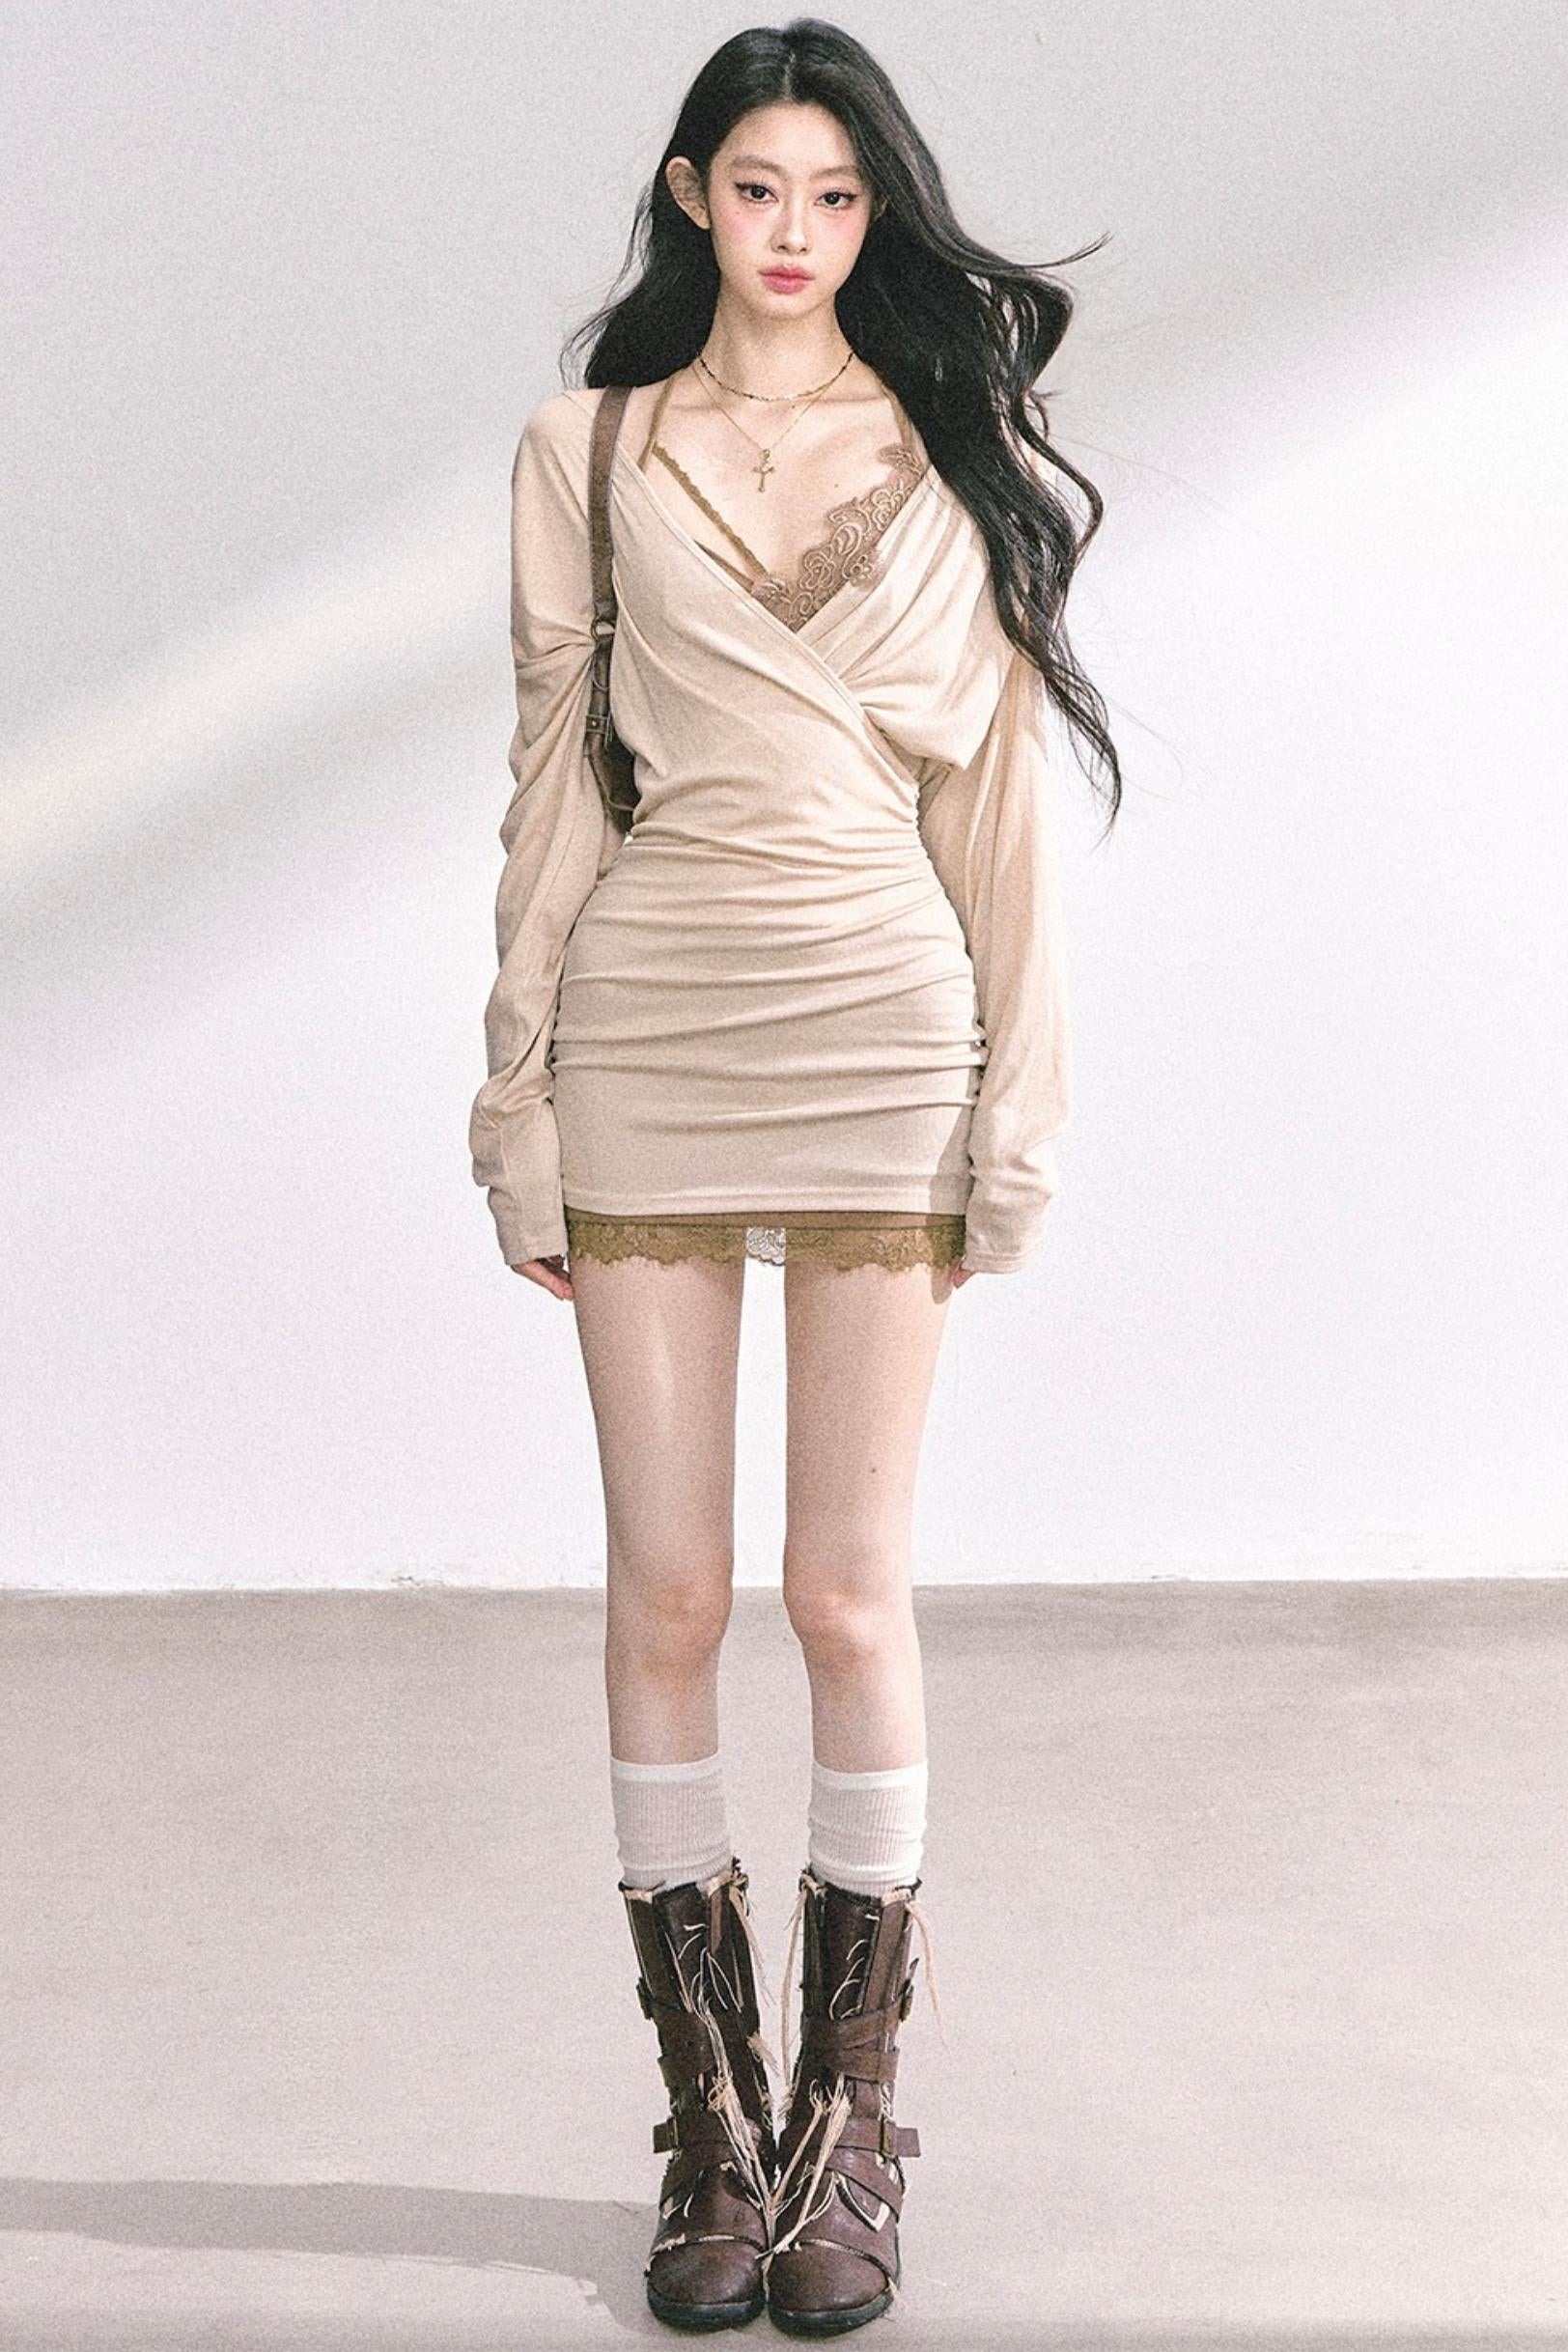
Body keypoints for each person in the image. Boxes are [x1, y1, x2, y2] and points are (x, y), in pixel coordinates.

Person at [468, 19, 1122, 2336]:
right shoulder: (589, 444)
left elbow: (995, 808)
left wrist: (1015, 1117)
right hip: (650, 1023)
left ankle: (851, 2129)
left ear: (871, 216)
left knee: (845, 1595)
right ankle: (709, 2129)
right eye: (756, 188)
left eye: (835, 198)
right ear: (687, 194)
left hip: (877, 1025)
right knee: (665, 1594)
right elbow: (554, 776)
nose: (794, 233)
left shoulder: (954, 447)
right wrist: (513, 1097)